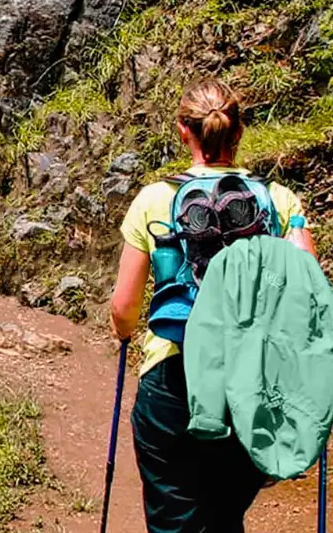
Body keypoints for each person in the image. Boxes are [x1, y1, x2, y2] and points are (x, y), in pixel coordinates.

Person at [109, 79, 317, 533]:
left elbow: (124, 308)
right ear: (240, 129)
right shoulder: (278, 200)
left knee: (176, 518)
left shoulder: (155, 199)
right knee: (226, 516)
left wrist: (125, 333)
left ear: (184, 130)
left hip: (173, 381)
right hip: (253, 383)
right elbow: (309, 297)